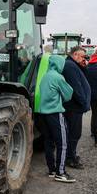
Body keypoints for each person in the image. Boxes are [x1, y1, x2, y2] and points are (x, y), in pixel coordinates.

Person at [39, 55, 75, 183]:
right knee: (63, 144)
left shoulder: (45, 76)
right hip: (55, 113)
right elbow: (69, 94)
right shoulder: (58, 77)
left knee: (49, 142)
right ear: (59, 64)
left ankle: (52, 170)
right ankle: (61, 172)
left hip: (43, 114)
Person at [62, 46, 91, 169]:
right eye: (82, 56)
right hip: (73, 107)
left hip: (75, 106)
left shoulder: (74, 65)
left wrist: (84, 66)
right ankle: (70, 158)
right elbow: (76, 87)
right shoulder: (70, 65)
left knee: (74, 133)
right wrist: (84, 103)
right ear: (75, 55)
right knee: (74, 134)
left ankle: (71, 155)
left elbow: (83, 78)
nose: (84, 58)